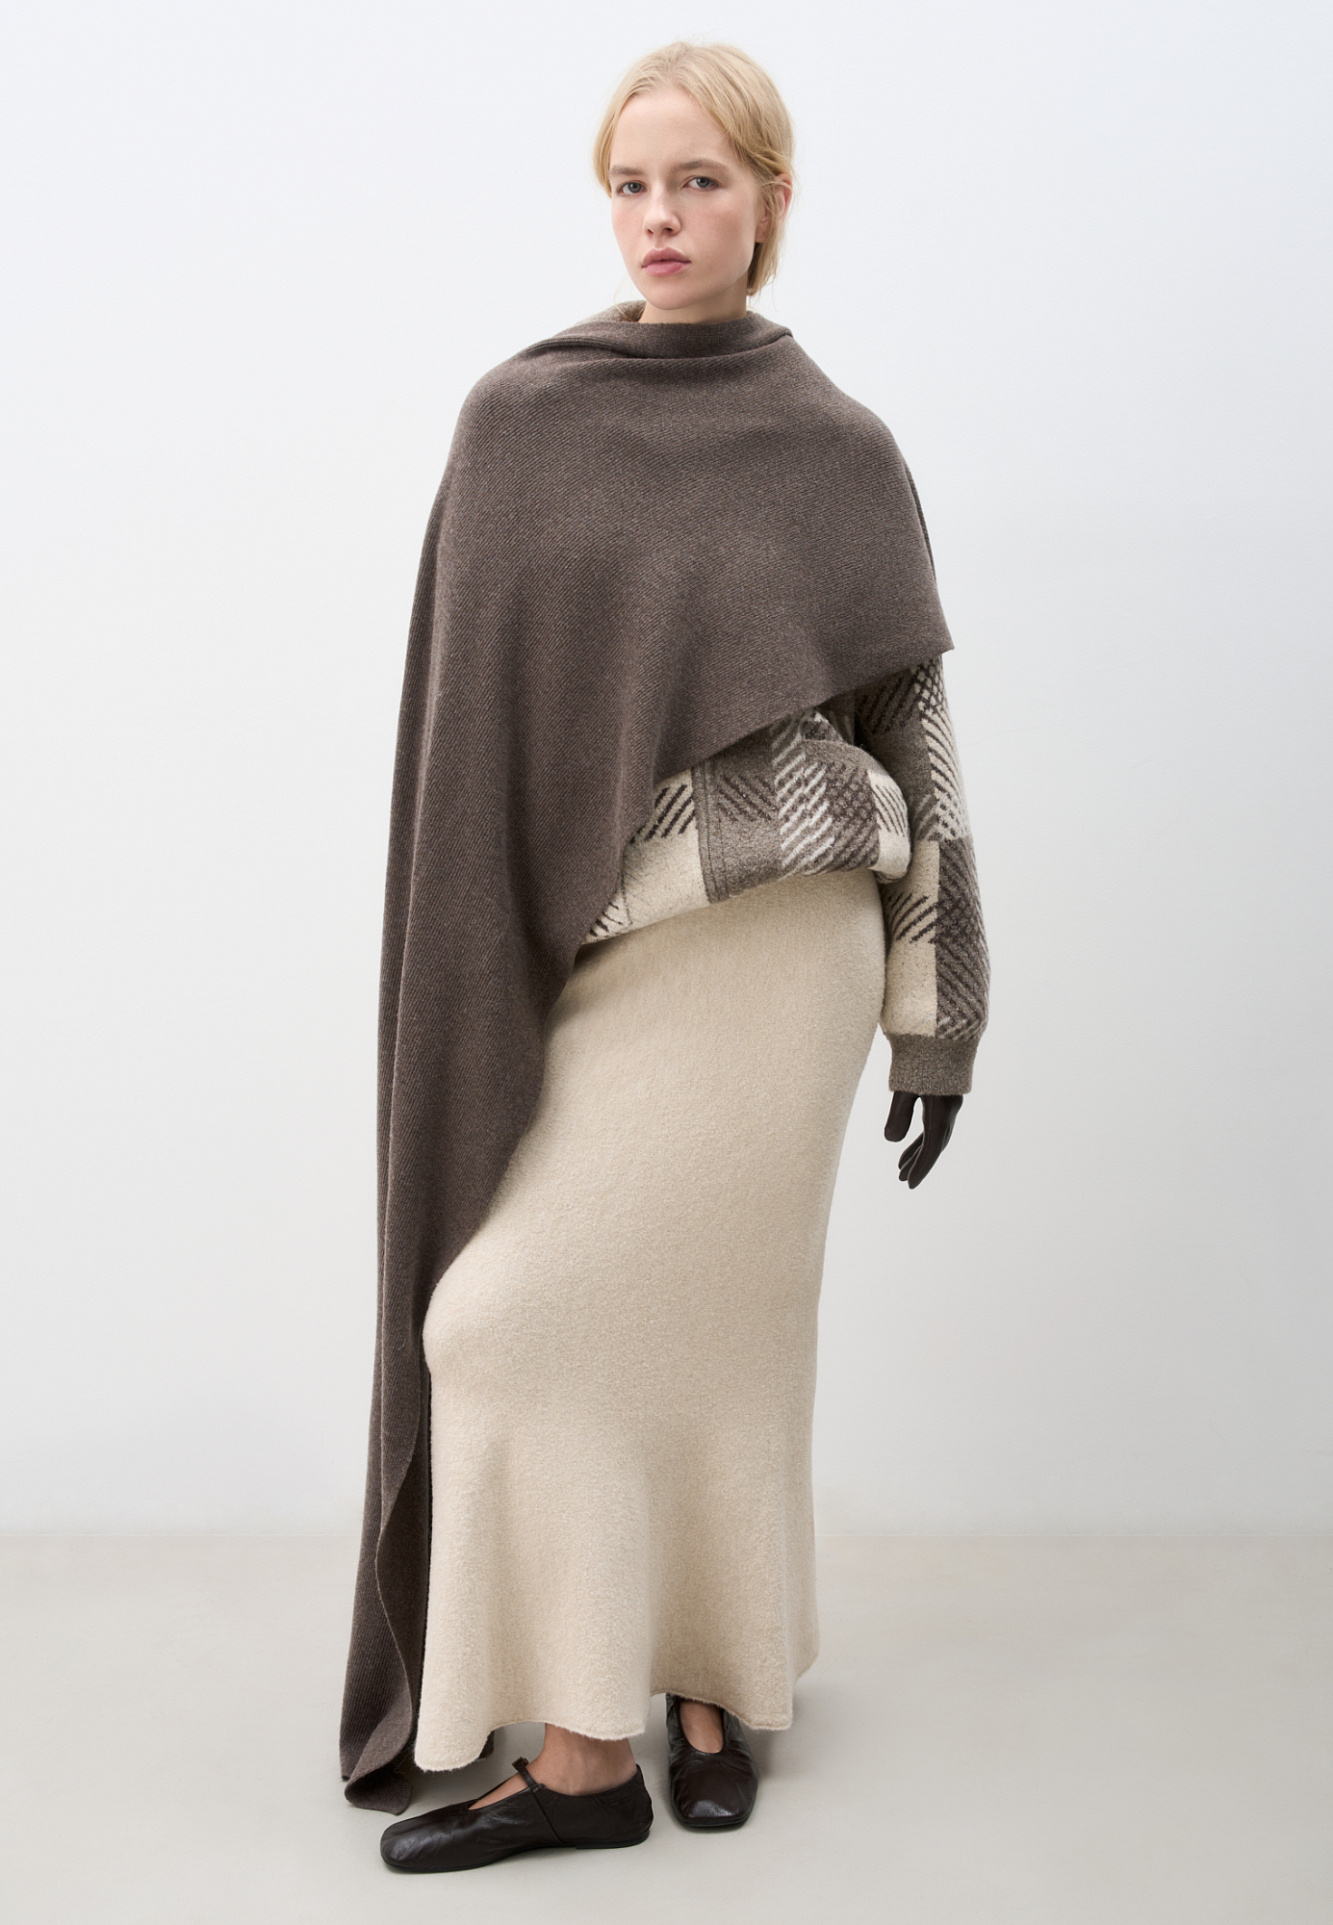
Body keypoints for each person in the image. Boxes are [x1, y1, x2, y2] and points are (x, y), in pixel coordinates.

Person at [342, 40, 989, 1874]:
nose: (659, 217)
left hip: (781, 961)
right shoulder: (522, 420)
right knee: (501, 1316)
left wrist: (935, 1011)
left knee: (725, 1326)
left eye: (699, 180)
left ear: (770, 199)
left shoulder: (840, 449)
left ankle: (625, 1741)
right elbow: (475, 736)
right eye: (630, 183)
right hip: (596, 951)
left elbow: (913, 738)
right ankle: (682, 1689)